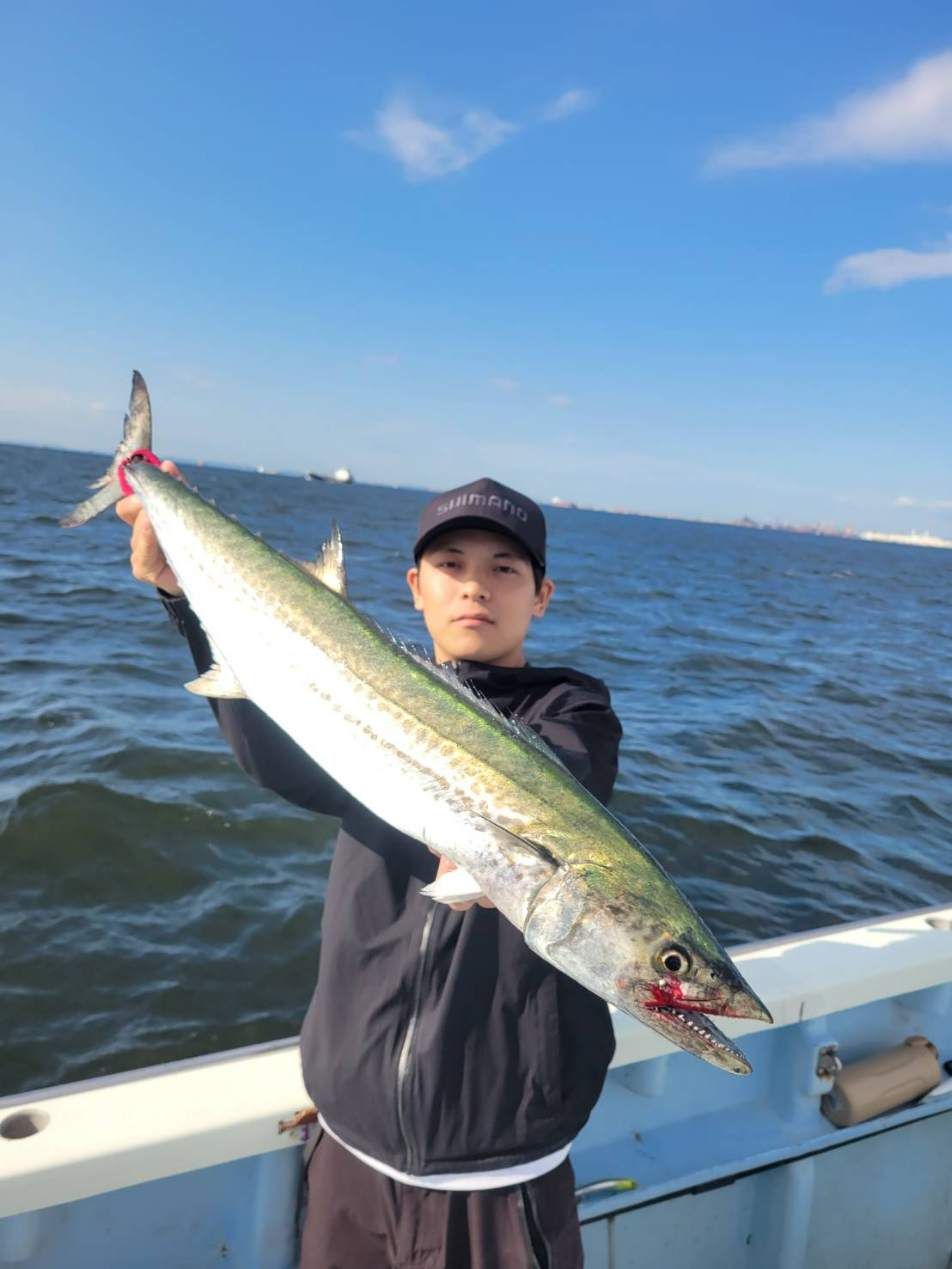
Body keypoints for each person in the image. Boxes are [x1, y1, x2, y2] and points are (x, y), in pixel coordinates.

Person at [118, 472, 623, 1269]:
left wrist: (492, 836)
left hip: (499, 1164)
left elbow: (561, 779)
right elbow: (279, 754)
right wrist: (184, 596)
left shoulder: (572, 713)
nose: (476, 587)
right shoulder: (355, 692)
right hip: (348, 1142)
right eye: (451, 565)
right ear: (415, 588)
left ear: (541, 596)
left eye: (504, 568)